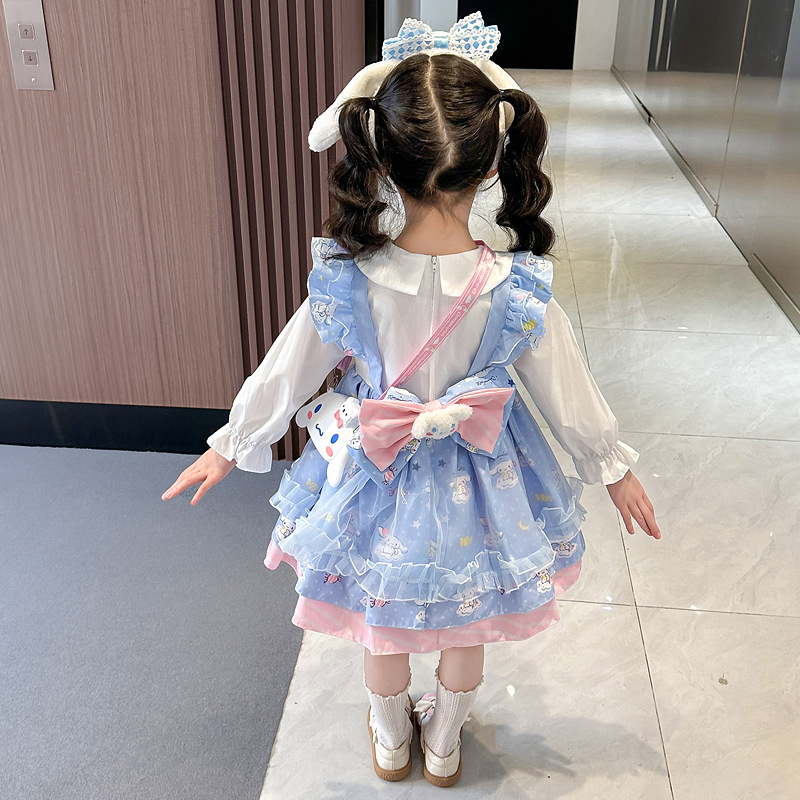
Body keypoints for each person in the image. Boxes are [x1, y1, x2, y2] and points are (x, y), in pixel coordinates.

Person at [162, 16, 660, 789]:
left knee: (383, 619)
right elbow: (568, 389)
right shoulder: (515, 287)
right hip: (486, 477)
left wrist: (230, 444)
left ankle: (392, 739)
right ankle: (446, 744)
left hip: (374, 469)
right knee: (469, 617)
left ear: (381, 162)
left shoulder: (347, 281)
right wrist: (613, 466)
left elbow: (286, 372)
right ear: (490, 165)